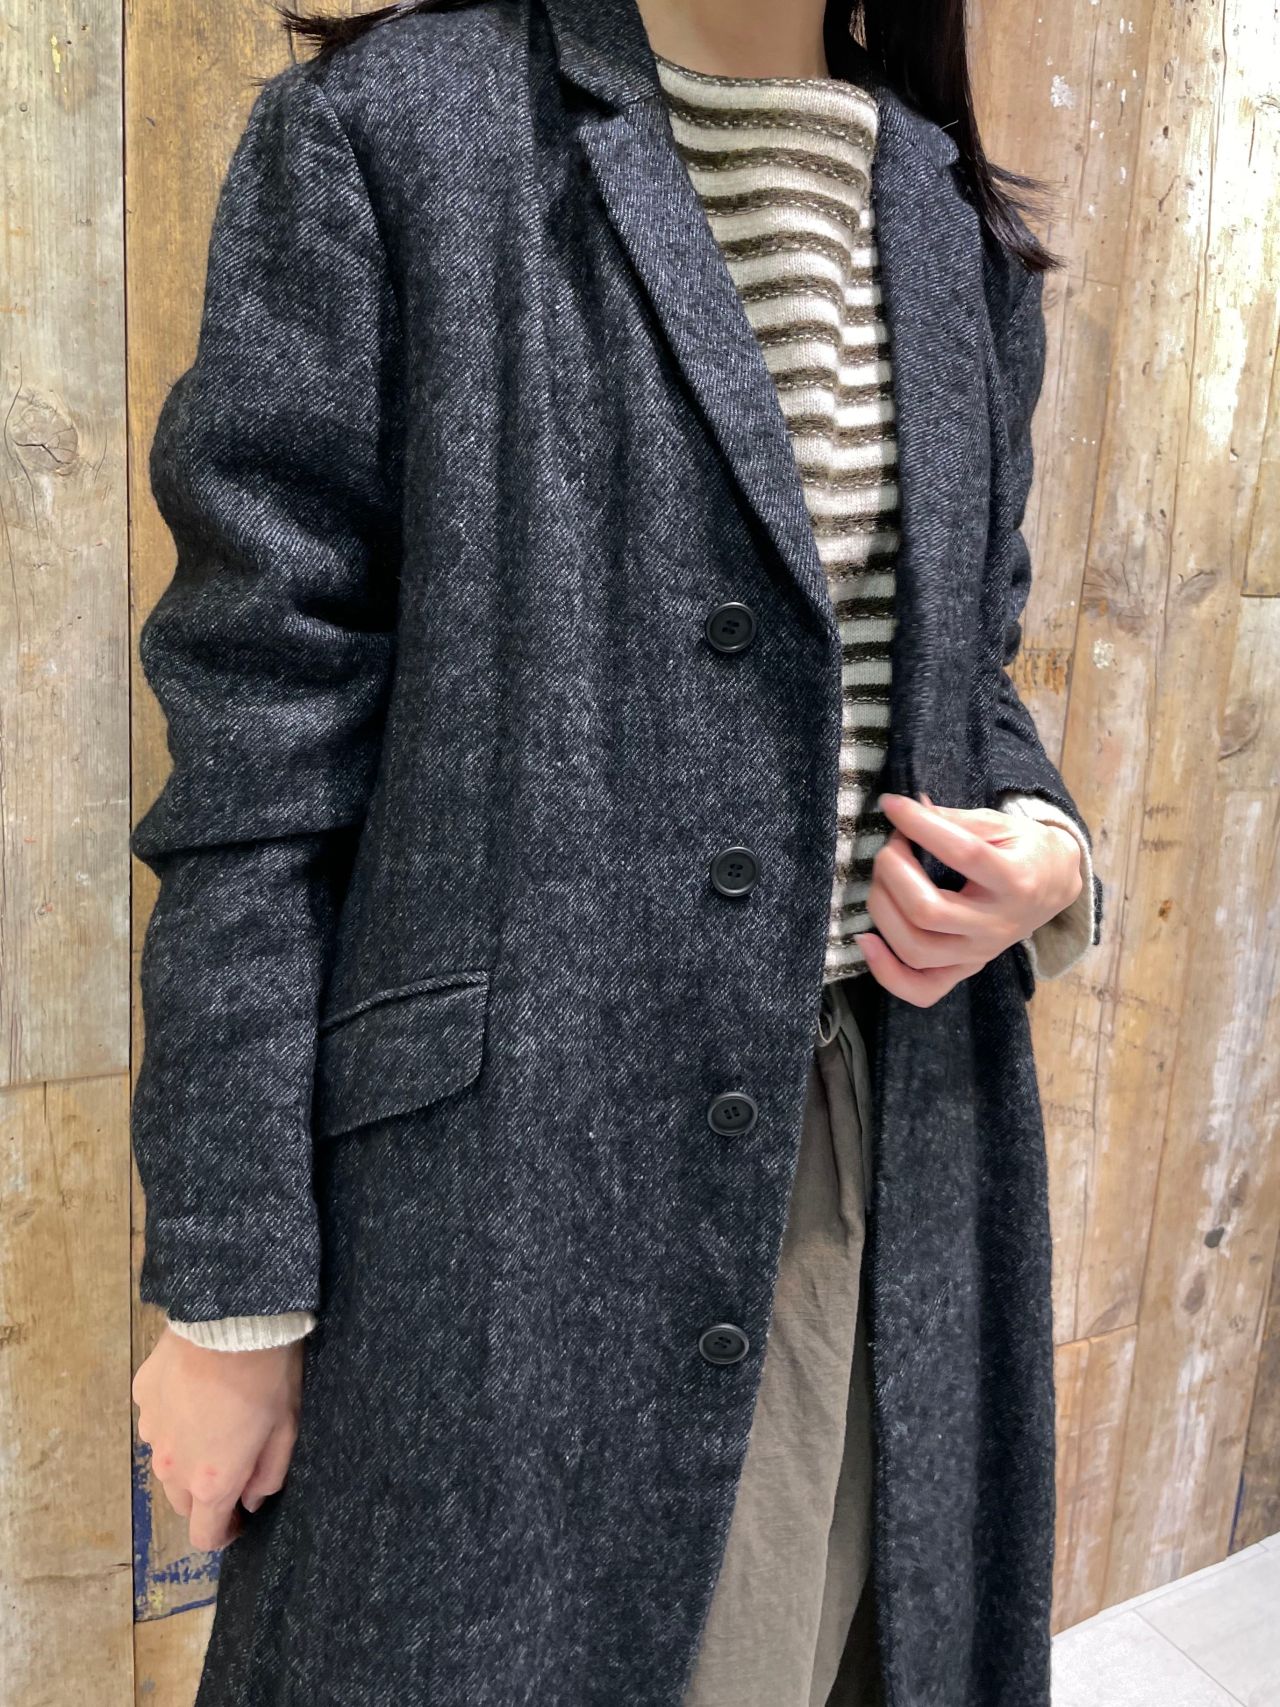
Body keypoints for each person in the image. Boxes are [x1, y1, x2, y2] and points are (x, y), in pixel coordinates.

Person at [128, 1, 1104, 1703]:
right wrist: (233, 1290)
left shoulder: (948, 221)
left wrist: (1050, 850)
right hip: (504, 1200)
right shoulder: (396, 136)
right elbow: (260, 744)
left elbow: (968, 670)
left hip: (889, 1156)